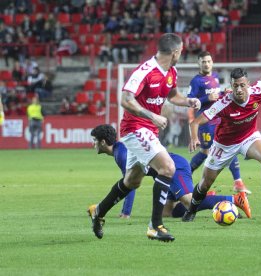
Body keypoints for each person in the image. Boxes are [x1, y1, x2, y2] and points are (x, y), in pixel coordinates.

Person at [86, 33, 201, 242]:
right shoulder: (145, 71)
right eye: (181, 51)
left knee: (132, 181)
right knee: (167, 167)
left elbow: (172, 95)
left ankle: (99, 212)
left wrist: (188, 102)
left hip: (148, 131)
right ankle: (155, 225)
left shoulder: (171, 71)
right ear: (175, 52)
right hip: (135, 129)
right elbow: (125, 100)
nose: (181, 55)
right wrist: (152, 115)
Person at [182, 68, 261, 222]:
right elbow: (195, 122)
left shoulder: (257, 91)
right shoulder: (223, 103)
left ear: (248, 84)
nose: (239, 89)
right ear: (231, 85)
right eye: (235, 86)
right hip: (224, 145)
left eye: (242, 85)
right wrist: (194, 137)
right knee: (205, 183)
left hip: (248, 136)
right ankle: (191, 210)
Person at [88, 124, 251, 220]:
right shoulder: (121, 149)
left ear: (103, 142)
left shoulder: (121, 153)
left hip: (175, 167)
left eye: (94, 141)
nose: (93, 144)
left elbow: (129, 185)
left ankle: (235, 199)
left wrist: (125, 213)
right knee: (169, 213)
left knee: (189, 202)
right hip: (166, 171)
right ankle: (205, 197)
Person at [187, 51, 251, 194]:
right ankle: (186, 175)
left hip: (218, 120)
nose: (206, 64)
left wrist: (224, 93)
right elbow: (190, 100)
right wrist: (205, 98)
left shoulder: (215, 76)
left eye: (208, 61)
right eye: (203, 61)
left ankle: (238, 182)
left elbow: (217, 97)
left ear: (212, 62)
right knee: (205, 153)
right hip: (205, 123)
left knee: (227, 146)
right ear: (199, 63)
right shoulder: (196, 81)